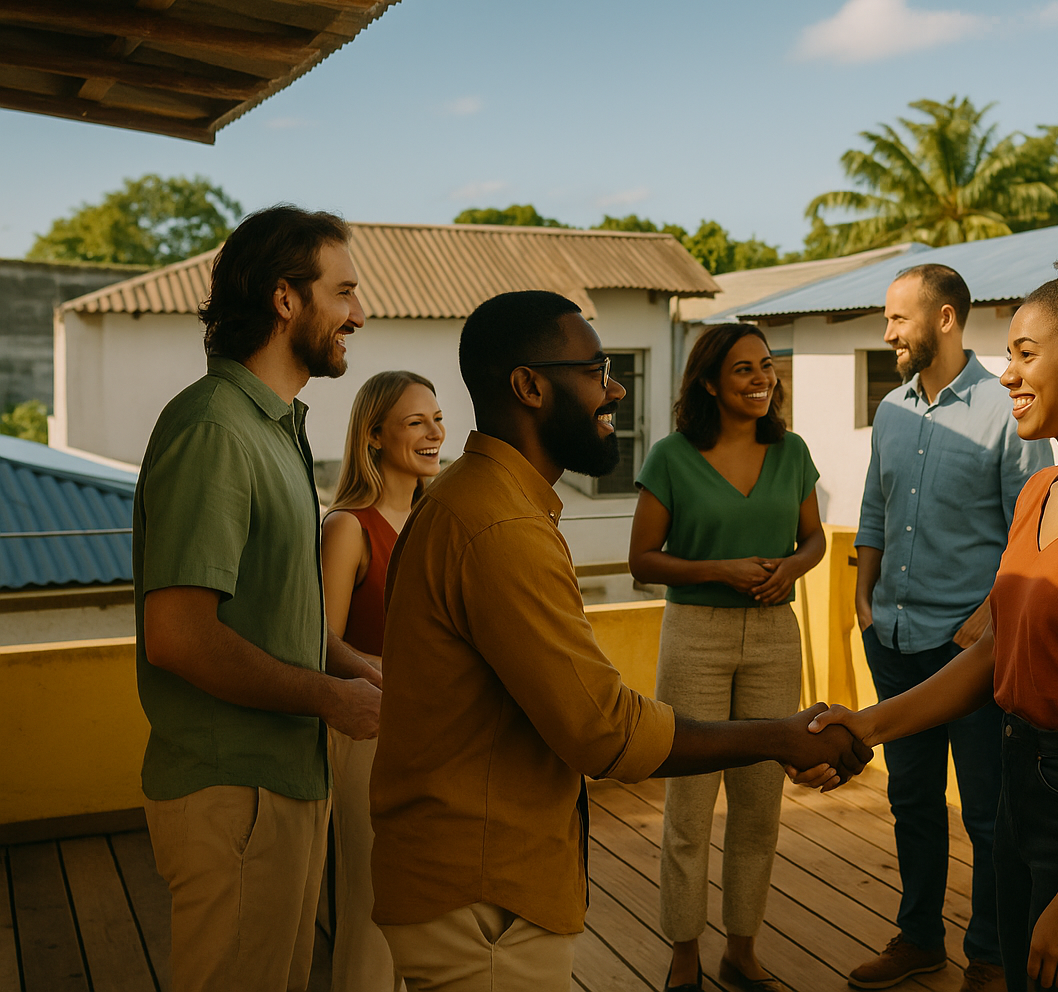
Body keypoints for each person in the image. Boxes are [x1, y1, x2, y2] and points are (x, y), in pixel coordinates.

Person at [368, 290, 871, 992]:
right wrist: (782, 737)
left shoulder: (485, 502)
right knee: (691, 822)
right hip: (482, 898)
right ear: (529, 386)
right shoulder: (497, 525)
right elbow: (603, 730)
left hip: (481, 880)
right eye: (596, 368)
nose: (617, 387)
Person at [800, 222, 1058, 991]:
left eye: (1025, 353)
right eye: (1008, 355)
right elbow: (995, 656)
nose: (1008, 375)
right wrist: (867, 724)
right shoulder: (1040, 492)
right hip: (1026, 789)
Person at [134, 205, 383, 992]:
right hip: (234, 794)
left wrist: (356, 671)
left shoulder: (272, 427)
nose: (360, 314)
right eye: (343, 292)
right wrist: (331, 700)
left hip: (280, 781)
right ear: (285, 299)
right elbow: (177, 635)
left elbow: (274, 616)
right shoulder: (216, 428)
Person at [849, 263, 1052, 992]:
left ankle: (993, 955)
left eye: (897, 319)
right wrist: (863, 592)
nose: (887, 332)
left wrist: (989, 617)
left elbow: (1032, 527)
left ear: (943, 318)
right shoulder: (892, 409)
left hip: (969, 654)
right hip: (895, 641)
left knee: (991, 818)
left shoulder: (1007, 410)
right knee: (911, 804)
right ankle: (918, 937)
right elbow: (874, 508)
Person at [629, 323, 826, 992]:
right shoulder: (670, 457)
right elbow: (642, 560)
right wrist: (723, 571)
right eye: (743, 370)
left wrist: (791, 571)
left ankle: (741, 949)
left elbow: (814, 540)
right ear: (710, 382)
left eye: (766, 367)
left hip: (775, 637)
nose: (760, 379)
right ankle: (683, 954)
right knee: (687, 807)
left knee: (759, 803)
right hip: (696, 637)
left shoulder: (793, 452)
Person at [320, 371, 444, 992]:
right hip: (370, 729)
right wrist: (381, 679)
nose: (435, 433)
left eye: (438, 419)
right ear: (373, 435)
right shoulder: (347, 526)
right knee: (370, 903)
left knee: (425, 908)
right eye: (416, 421)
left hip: (439, 732)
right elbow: (320, 640)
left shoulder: (441, 520)